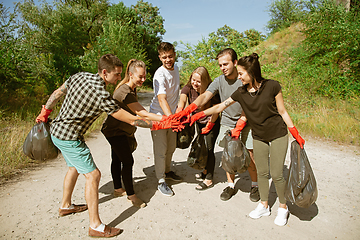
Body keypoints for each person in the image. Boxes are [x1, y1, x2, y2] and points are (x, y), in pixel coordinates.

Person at [35, 54, 177, 238]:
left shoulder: (79, 75)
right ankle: (95, 226)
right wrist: (163, 124)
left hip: (57, 131)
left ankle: (65, 205)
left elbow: (57, 92)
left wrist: (45, 112)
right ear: (104, 72)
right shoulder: (101, 96)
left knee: (73, 168)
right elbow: (133, 120)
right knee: (93, 175)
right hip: (69, 138)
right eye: (117, 74)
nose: (119, 78)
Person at [190, 52, 305, 226]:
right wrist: (197, 114)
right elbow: (221, 106)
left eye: (241, 73)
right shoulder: (241, 92)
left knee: (277, 174)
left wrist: (294, 130)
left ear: (250, 73)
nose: (239, 77)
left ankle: (283, 207)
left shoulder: (273, 86)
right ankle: (264, 205)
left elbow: (282, 111)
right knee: (263, 172)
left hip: (278, 134)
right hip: (259, 135)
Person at [172, 48, 260, 202]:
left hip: (246, 122)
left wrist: (240, 125)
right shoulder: (219, 81)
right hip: (227, 122)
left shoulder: (243, 79)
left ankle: (255, 185)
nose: (222, 68)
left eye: (225, 64)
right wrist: (190, 109)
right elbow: (205, 95)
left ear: (235, 62)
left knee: (250, 157)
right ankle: (231, 185)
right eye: (220, 65)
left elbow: (251, 104)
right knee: (228, 156)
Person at [101, 59, 171, 208]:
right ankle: (131, 196)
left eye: (144, 76)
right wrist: (166, 119)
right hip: (114, 131)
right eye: (140, 77)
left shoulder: (130, 88)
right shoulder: (124, 91)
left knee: (117, 158)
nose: (143, 79)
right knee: (127, 161)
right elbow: (142, 113)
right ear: (131, 75)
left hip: (120, 130)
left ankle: (117, 189)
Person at [176, 67, 221, 190]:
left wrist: (210, 124)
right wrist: (180, 110)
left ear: (205, 82)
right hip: (198, 121)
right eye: (193, 80)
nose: (195, 83)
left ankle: (209, 179)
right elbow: (182, 99)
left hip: (212, 121)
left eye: (198, 81)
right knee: (202, 146)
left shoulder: (212, 89)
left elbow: (217, 109)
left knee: (209, 148)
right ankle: (205, 171)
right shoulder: (189, 87)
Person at [149, 42, 183, 197]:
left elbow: (177, 92)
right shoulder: (159, 75)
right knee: (161, 149)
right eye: (164, 57)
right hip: (158, 116)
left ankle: (168, 171)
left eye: (170, 56)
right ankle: (161, 180)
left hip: (172, 115)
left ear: (174, 54)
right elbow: (161, 99)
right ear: (159, 57)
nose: (168, 59)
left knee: (171, 147)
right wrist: (171, 120)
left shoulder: (176, 68)